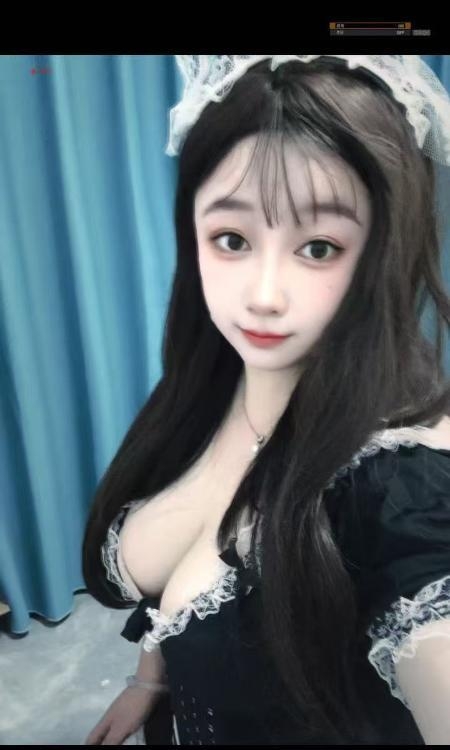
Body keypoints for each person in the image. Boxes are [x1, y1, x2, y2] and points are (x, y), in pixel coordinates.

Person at [82, 55, 450, 745]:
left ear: (383, 251)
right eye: (232, 239)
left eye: (319, 247)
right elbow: (181, 582)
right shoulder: (209, 391)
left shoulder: (404, 481)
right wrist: (150, 680)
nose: (263, 295)